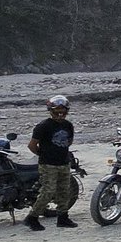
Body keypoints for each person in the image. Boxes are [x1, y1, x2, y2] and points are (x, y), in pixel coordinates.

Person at [25, 95, 77, 230]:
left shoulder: (68, 125)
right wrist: (43, 154)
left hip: (64, 163)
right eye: (57, 111)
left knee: (64, 191)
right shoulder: (43, 126)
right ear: (51, 111)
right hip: (48, 165)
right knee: (48, 192)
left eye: (63, 111)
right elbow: (32, 145)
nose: (60, 114)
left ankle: (63, 218)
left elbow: (68, 142)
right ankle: (32, 217)